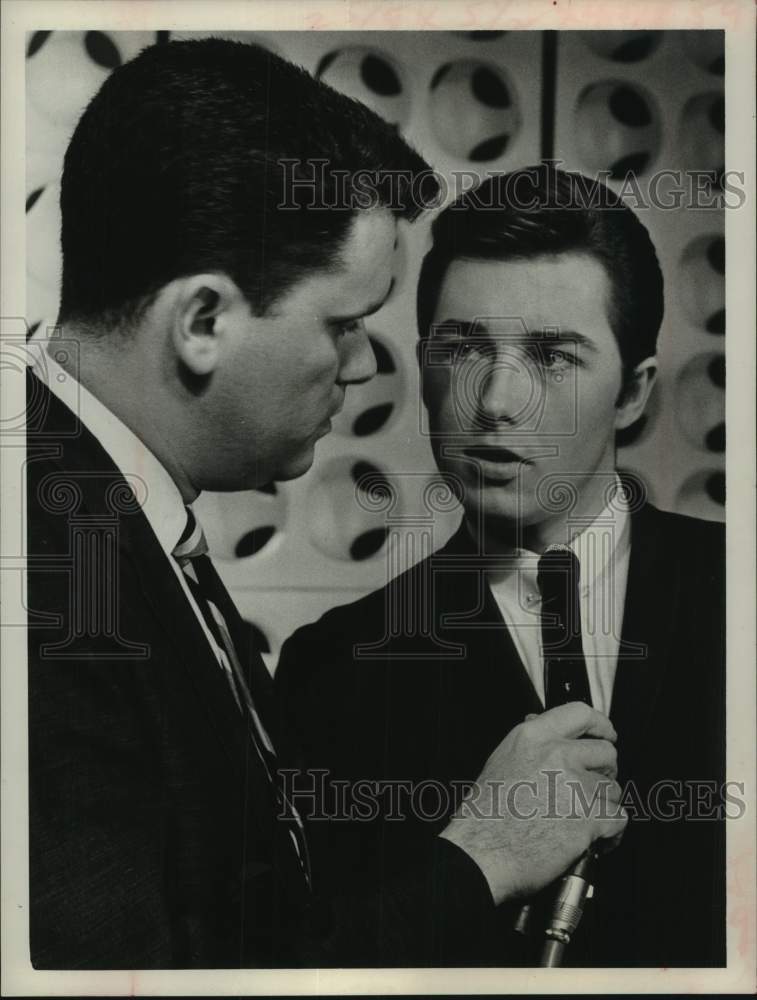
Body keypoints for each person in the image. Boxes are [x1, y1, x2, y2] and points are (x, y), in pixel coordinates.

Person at [26, 45, 625, 970]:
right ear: (202, 321)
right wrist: (481, 859)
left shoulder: (96, 525)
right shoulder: (44, 580)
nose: (360, 365)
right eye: (342, 323)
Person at [276, 166, 726, 967]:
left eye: (551, 356)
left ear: (632, 394)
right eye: (462, 349)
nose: (494, 402)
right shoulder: (334, 671)